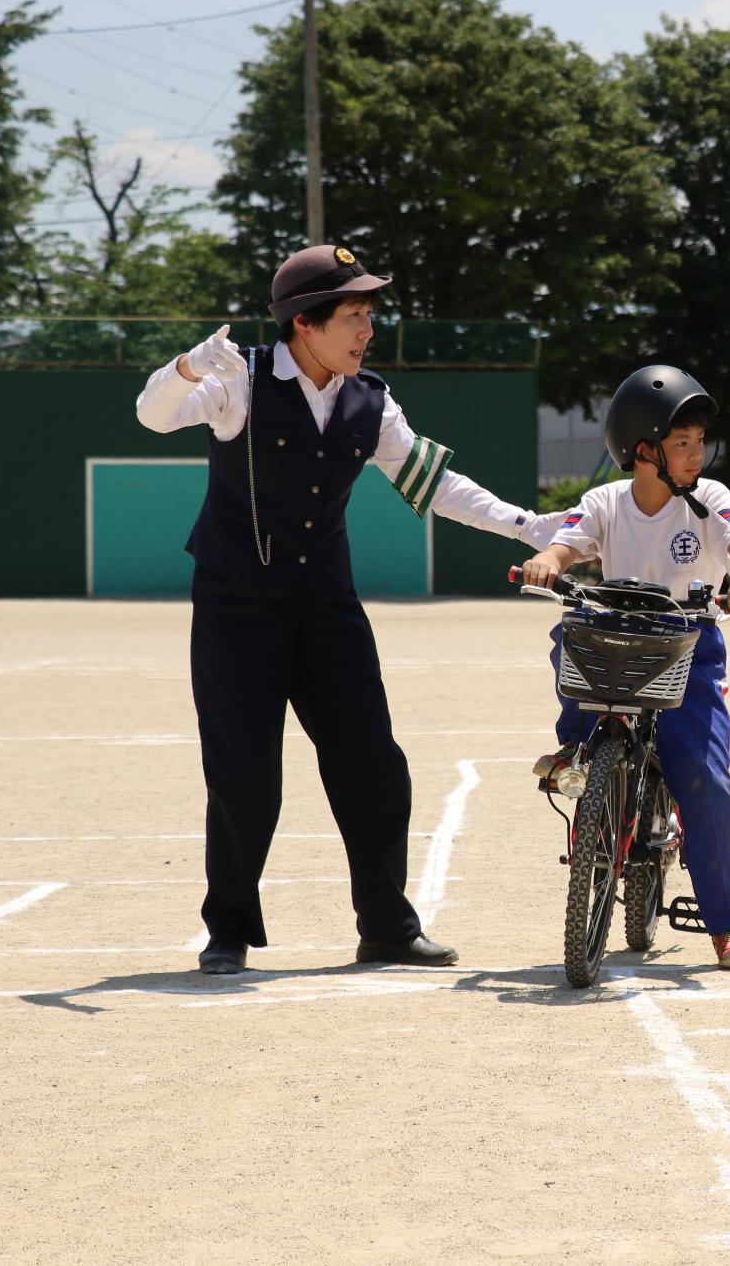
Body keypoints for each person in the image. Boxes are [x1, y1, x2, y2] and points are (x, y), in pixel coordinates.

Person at [136, 244, 549, 975]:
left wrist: (529, 525)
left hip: (327, 604)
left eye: (368, 313)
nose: (367, 328)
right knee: (242, 771)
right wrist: (188, 368)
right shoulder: (241, 381)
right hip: (237, 607)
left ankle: (387, 926)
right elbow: (153, 414)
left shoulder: (372, 398)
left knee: (373, 763)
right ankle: (227, 929)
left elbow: (432, 482)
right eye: (354, 314)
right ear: (305, 323)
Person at [520, 365, 730, 970]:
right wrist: (547, 561)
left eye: (699, 442)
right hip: (618, 641)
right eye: (682, 443)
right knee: (570, 633)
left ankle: (727, 926)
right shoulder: (606, 502)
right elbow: (569, 542)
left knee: (705, 780)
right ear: (643, 450)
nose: (696, 454)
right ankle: (577, 748)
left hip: (688, 649)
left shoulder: (710, 499)